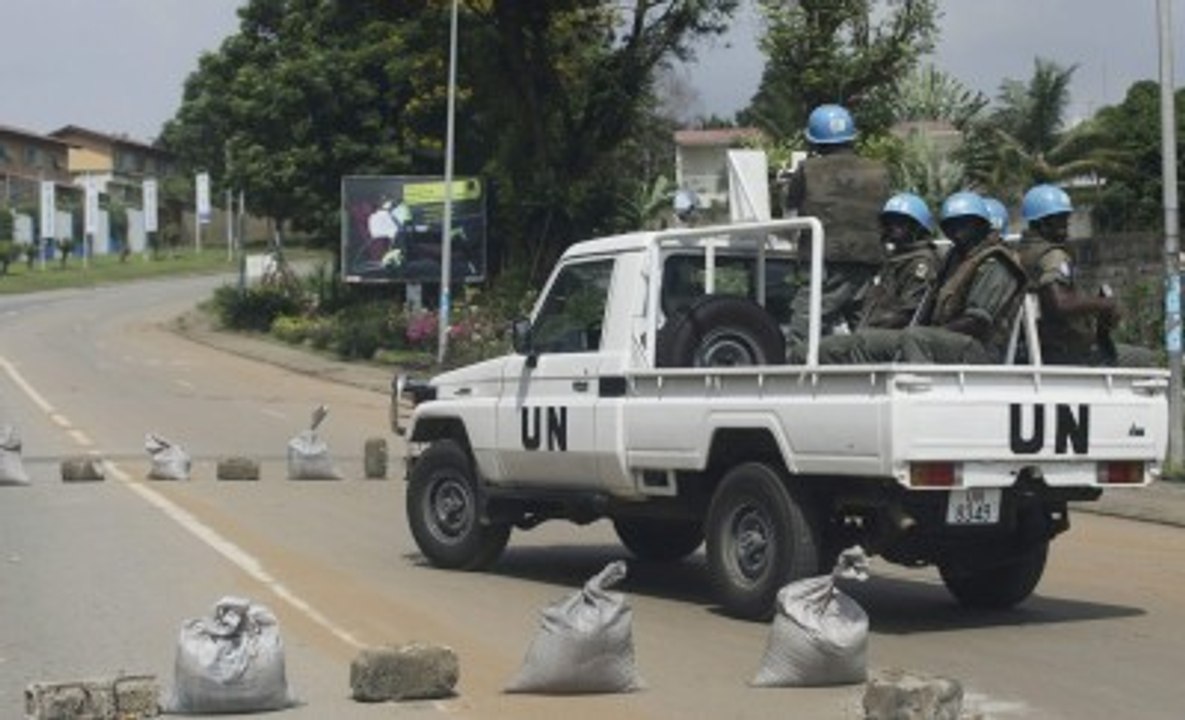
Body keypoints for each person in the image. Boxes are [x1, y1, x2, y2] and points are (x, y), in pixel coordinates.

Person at [782, 104, 891, 350]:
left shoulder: (807, 170)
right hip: (870, 262)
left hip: (826, 261)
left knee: (805, 322)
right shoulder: (879, 171)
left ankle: (796, 372)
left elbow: (790, 210)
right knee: (864, 325)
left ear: (815, 141)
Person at [1017, 184, 1158, 366]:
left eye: (1066, 218)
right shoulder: (1053, 255)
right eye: (1059, 220)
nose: (1066, 225)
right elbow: (1059, 303)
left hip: (1048, 348)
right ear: (1042, 222)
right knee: (1152, 360)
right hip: (1071, 353)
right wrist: (1104, 304)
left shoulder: (1022, 252)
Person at [898, 191, 1029, 363]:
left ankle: (918, 387)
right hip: (949, 341)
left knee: (913, 337)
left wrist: (934, 332)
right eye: (951, 227)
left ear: (980, 225)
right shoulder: (953, 259)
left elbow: (977, 322)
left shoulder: (996, 262)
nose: (957, 233)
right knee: (864, 342)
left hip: (980, 349)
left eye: (964, 225)